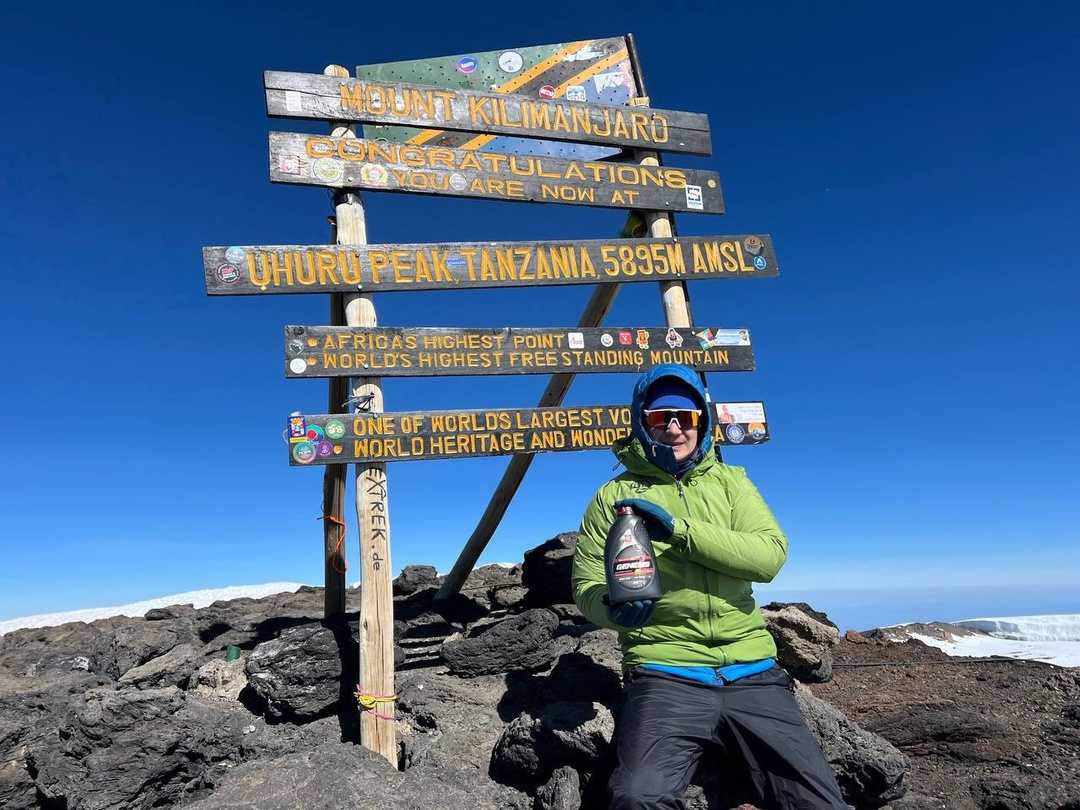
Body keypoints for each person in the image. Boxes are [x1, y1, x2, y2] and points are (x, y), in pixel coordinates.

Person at [572, 363, 847, 810]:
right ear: (642, 422)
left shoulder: (732, 483)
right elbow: (585, 586)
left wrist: (681, 531)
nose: (675, 428)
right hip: (665, 671)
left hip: (752, 669)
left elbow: (768, 556)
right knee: (638, 798)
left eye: (688, 416)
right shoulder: (613, 498)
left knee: (819, 803)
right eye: (661, 418)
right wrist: (610, 606)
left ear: (705, 419)